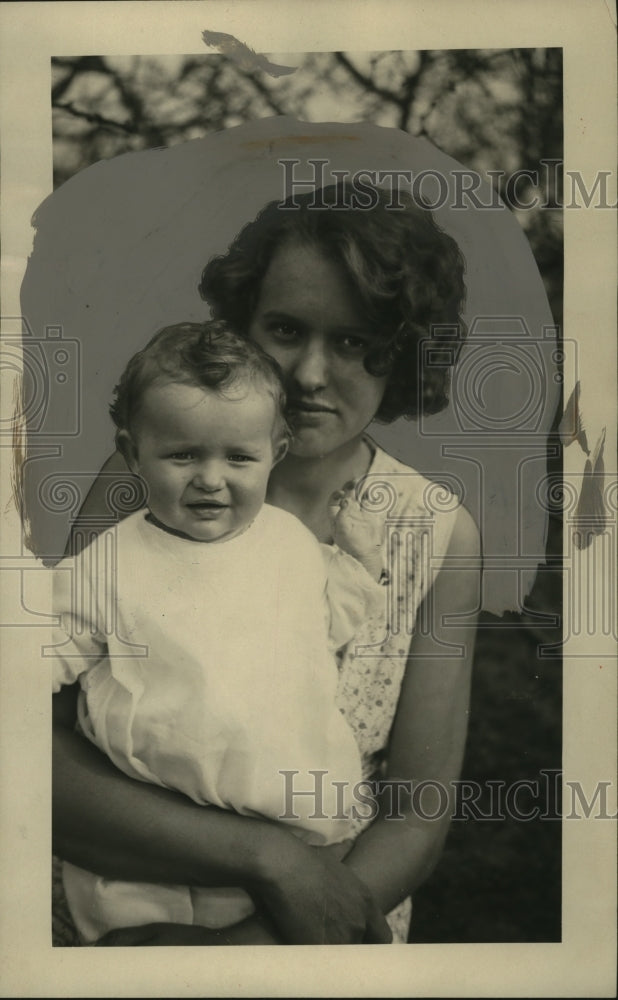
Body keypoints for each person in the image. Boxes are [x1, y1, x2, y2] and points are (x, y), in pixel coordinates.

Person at [52, 182, 481, 946]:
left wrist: (240, 954)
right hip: (122, 915)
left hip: (323, 935)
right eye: (285, 329)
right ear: (240, 324)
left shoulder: (438, 534)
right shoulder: (150, 483)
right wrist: (268, 858)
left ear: (403, 350)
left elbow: (417, 816)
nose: (310, 374)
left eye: (354, 342)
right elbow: (34, 748)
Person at [52, 319, 391, 944]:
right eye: (182, 455)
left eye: (238, 457)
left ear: (275, 455)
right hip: (162, 851)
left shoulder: (290, 541)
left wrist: (356, 561)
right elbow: (37, 657)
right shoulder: (111, 562)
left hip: (303, 836)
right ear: (132, 452)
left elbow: (332, 626)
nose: (211, 478)